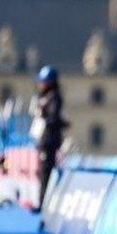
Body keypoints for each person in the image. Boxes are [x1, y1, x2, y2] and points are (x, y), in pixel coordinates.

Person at [29, 65, 67, 211]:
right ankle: (43, 202)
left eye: (43, 81)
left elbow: (53, 118)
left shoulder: (54, 97)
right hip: (45, 139)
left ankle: (43, 204)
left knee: (46, 172)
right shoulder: (46, 96)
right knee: (43, 171)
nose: (41, 84)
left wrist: (44, 118)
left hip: (49, 140)